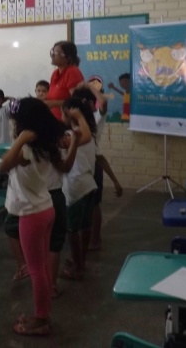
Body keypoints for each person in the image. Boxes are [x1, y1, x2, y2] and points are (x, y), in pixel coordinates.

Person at [0, 97, 67, 336]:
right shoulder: (46, 144)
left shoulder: (26, 149)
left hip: (32, 215)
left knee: (36, 270)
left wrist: (19, 140)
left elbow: (3, 166)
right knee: (42, 268)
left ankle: (41, 320)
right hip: (45, 208)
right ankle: (42, 314)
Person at [78, 78, 123, 250]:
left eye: (84, 102)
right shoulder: (75, 120)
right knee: (82, 204)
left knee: (94, 204)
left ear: (91, 103)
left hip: (93, 164)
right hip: (81, 165)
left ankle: (95, 239)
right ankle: (83, 238)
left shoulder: (97, 116)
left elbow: (103, 102)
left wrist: (89, 86)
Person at [60, 95, 97, 280]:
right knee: (85, 225)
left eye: (62, 113)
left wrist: (79, 117)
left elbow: (83, 136)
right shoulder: (89, 132)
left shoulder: (72, 134)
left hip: (75, 185)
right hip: (88, 184)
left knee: (72, 229)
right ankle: (80, 260)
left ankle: (78, 266)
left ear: (69, 114)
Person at [46, 41, 85, 120]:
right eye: (52, 52)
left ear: (68, 57)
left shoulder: (72, 72)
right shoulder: (55, 73)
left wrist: (54, 103)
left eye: (56, 53)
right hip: (55, 120)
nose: (52, 55)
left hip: (68, 121)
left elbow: (77, 101)